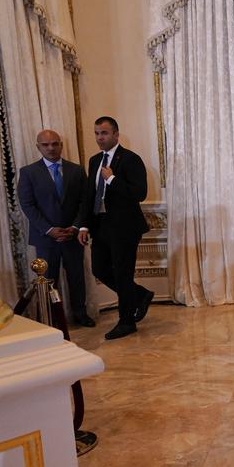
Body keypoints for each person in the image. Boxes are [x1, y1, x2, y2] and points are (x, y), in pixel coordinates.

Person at [77, 117, 153, 340]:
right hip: (100, 226)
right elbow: (89, 197)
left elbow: (140, 193)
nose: (100, 138)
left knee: (122, 274)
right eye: (97, 133)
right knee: (100, 270)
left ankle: (127, 322)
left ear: (116, 135)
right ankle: (140, 295)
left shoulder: (130, 159)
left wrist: (112, 180)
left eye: (104, 133)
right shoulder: (93, 161)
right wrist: (83, 225)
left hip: (125, 228)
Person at [17, 129, 95, 327]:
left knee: (76, 277)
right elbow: (27, 205)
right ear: (38, 147)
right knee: (49, 280)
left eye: (55, 144)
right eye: (45, 145)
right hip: (46, 238)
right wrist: (49, 230)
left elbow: (84, 201)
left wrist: (76, 226)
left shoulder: (76, 170)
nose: (51, 148)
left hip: (72, 236)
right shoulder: (28, 172)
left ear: (61, 145)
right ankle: (51, 319)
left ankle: (80, 313)